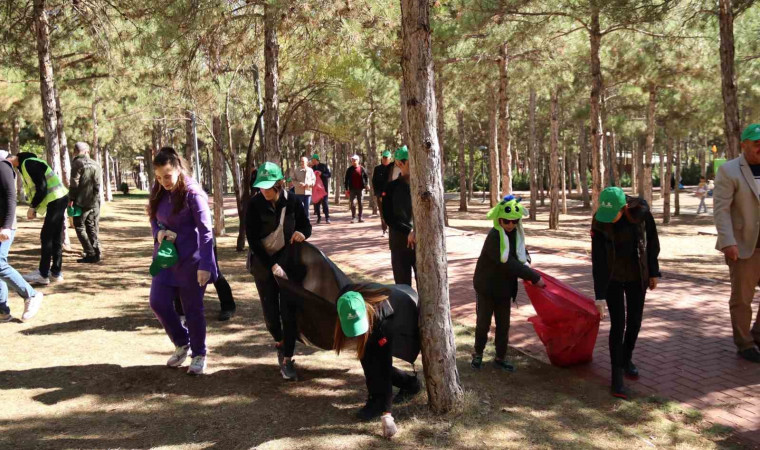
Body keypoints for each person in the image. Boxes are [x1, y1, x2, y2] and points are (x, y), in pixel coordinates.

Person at [148, 147, 217, 375]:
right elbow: (153, 218)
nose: (163, 181)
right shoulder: (158, 189)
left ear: (178, 169)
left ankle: (199, 353)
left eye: (167, 176)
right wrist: (157, 233)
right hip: (166, 258)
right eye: (158, 177)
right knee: (158, 302)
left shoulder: (192, 193)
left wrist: (206, 265)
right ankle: (182, 342)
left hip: (191, 261)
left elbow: (206, 231)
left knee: (192, 309)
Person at [592, 186, 661, 399]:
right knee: (618, 325)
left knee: (634, 322)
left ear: (624, 207)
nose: (609, 219)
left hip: (636, 276)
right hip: (613, 278)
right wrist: (599, 296)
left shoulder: (641, 215)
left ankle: (626, 359)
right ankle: (616, 378)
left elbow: (652, 243)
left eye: (613, 215)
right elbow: (598, 260)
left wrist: (654, 271)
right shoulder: (600, 221)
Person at [246, 162, 312, 381]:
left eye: (268, 187)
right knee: (272, 315)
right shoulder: (254, 205)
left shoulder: (292, 201)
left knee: (289, 311)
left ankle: (288, 358)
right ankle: (281, 341)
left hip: (287, 264)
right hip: (263, 266)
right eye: (261, 187)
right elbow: (253, 240)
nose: (263, 191)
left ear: (279, 183)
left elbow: (306, 225)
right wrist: (270, 265)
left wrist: (302, 233)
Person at [333, 286, 421, 438]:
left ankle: (406, 387)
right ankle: (380, 397)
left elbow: (385, 368)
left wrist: (387, 414)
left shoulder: (383, 315)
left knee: (379, 364)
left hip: (395, 313)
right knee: (367, 359)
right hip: (370, 317)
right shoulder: (343, 300)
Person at [471, 195, 544, 372]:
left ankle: (500, 357)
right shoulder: (494, 237)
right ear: (499, 219)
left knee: (504, 325)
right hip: (487, 287)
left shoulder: (516, 235)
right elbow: (509, 263)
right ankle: (478, 354)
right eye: (506, 221)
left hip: (504, 289)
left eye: (514, 221)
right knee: (483, 323)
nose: (510, 225)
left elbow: (520, 254)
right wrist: (534, 277)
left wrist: (526, 258)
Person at [714, 124, 760, 363]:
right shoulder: (729, 170)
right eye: (756, 142)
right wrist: (727, 242)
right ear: (744, 145)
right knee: (742, 298)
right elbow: (720, 210)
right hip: (743, 246)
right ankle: (744, 344)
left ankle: (758, 335)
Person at [7, 152, 68, 286]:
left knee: (46, 236)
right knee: (56, 237)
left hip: (56, 199)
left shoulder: (28, 163)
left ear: (11, 158)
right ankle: (55, 272)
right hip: (60, 198)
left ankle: (43, 274)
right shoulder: (27, 163)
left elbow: (42, 187)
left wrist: (33, 207)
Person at [0, 150, 44, 322]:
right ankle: (3, 311)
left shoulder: (3, 166)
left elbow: (11, 198)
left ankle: (31, 295)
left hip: (4, 226)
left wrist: (6, 226)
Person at [382, 147, 416, 286]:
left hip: (421, 243)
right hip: (399, 243)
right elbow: (389, 218)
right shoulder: (391, 188)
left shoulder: (424, 188)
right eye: (411, 162)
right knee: (403, 288)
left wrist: (416, 232)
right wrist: (408, 231)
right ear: (399, 163)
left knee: (426, 290)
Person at [69, 142, 102, 263]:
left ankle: (90, 253)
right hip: (93, 201)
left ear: (75, 152)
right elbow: (97, 185)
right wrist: (95, 199)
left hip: (80, 201)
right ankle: (96, 251)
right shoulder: (96, 164)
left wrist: (71, 199)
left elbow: (74, 183)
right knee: (91, 226)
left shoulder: (77, 163)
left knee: (79, 226)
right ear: (87, 151)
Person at [372, 150, 394, 236]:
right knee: (383, 213)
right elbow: (374, 182)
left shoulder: (393, 168)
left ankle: (392, 230)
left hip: (392, 195)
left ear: (390, 158)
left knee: (392, 212)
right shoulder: (377, 169)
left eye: (386, 158)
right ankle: (384, 230)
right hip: (381, 195)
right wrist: (379, 195)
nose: (385, 159)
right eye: (384, 158)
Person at [344, 154, 368, 223]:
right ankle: (354, 217)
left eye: (355, 160)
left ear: (358, 161)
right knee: (353, 203)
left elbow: (366, 177)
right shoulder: (349, 170)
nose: (354, 161)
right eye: (352, 160)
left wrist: (366, 184)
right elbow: (346, 180)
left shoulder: (362, 168)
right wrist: (346, 189)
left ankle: (360, 217)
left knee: (360, 203)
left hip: (360, 189)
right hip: (352, 189)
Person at [310, 154, 331, 224]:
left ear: (316, 160)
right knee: (316, 203)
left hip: (323, 188)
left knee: (325, 203)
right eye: (312, 160)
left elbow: (329, 175)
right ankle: (319, 218)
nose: (312, 161)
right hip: (315, 189)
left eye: (313, 160)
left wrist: (321, 174)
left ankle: (327, 217)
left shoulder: (323, 166)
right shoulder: (312, 168)